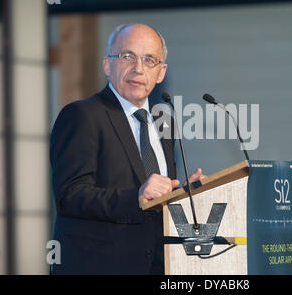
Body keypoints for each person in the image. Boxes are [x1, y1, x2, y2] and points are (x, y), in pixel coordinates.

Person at [49, 24, 205, 274]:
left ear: (161, 72)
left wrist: (185, 193)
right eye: (127, 56)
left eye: (149, 59)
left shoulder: (165, 122)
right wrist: (136, 197)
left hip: (157, 266)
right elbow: (70, 196)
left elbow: (158, 198)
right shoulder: (82, 116)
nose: (138, 68)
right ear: (107, 65)